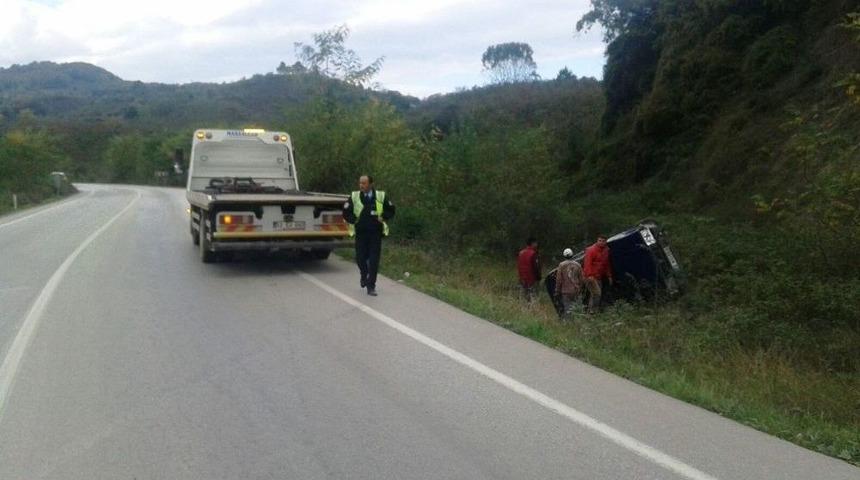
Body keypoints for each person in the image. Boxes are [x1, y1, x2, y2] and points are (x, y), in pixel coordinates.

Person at [343, 175, 395, 296]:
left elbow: (391, 210)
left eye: (364, 183)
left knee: (373, 260)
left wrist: (384, 216)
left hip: (375, 233)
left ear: (371, 184)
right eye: (360, 183)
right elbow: (346, 212)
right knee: (360, 258)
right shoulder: (355, 196)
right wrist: (353, 219)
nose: (361, 185)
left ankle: (371, 286)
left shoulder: (381, 196)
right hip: (361, 233)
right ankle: (364, 274)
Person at [583, 234, 613, 313]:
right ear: (597, 241)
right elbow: (587, 264)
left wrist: (609, 275)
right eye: (600, 241)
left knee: (595, 294)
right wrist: (589, 275)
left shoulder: (606, 251)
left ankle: (593, 311)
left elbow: (607, 264)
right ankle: (591, 311)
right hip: (591, 276)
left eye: (603, 241)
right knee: (597, 293)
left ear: (605, 242)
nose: (601, 242)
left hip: (599, 276)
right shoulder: (591, 250)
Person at [555, 248, 584, 320]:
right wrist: (580, 288)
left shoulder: (561, 265)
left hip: (566, 291)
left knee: (567, 309)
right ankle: (579, 322)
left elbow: (559, 280)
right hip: (576, 290)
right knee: (578, 309)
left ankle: (569, 323)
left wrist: (557, 291)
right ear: (572, 255)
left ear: (564, 256)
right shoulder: (578, 265)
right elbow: (581, 279)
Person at [517, 237, 541, 304]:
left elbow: (519, 265)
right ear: (532, 243)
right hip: (531, 278)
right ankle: (533, 308)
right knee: (533, 296)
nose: (537, 244)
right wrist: (538, 277)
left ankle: (524, 308)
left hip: (522, 278)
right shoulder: (533, 253)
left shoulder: (521, 253)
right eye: (536, 243)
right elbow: (536, 267)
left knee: (523, 296)